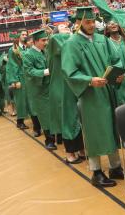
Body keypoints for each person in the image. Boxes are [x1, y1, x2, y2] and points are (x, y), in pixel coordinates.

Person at [61, 6, 125, 188]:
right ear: (78, 23)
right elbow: (69, 71)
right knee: (95, 131)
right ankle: (96, 172)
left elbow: (116, 59)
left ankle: (115, 167)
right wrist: (88, 80)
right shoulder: (72, 44)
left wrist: (118, 73)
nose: (92, 25)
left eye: (93, 21)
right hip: (90, 94)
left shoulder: (103, 39)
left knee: (111, 128)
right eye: (87, 21)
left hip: (108, 91)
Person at [47, 22, 84, 164]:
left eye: (67, 26)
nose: (66, 27)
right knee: (69, 119)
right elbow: (68, 46)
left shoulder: (72, 38)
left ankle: (81, 149)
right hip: (62, 86)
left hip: (74, 84)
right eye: (62, 27)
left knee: (80, 118)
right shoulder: (54, 40)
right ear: (56, 31)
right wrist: (73, 35)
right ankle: (70, 152)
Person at [23, 29, 57, 151]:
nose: (46, 42)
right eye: (43, 40)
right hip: (39, 89)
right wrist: (45, 72)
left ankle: (56, 136)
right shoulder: (28, 55)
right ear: (35, 41)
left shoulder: (45, 52)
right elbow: (29, 71)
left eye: (47, 40)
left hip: (50, 87)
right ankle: (49, 140)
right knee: (45, 114)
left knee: (53, 113)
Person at [6, 30, 32, 130]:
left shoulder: (27, 47)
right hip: (20, 78)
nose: (25, 36)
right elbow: (11, 65)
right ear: (18, 37)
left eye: (26, 34)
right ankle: (20, 121)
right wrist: (15, 80)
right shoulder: (13, 49)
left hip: (29, 77)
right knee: (21, 100)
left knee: (30, 99)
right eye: (23, 34)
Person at [105, 20, 125, 106]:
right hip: (119, 77)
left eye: (114, 22)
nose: (112, 24)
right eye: (109, 23)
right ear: (107, 29)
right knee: (124, 100)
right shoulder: (106, 43)